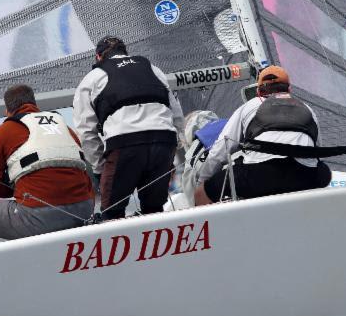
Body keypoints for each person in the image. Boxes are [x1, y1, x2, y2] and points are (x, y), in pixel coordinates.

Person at [0, 84, 94, 249]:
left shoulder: (4, 130)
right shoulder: (65, 128)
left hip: (38, 217)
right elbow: (83, 175)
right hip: (84, 211)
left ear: (8, 110)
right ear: (34, 105)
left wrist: (20, 191)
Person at [73, 36, 184, 220]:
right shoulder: (152, 69)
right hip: (164, 140)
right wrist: (174, 146)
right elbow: (176, 113)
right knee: (154, 209)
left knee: (112, 213)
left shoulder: (92, 78)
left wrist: (100, 169)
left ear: (98, 57)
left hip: (124, 144)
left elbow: (86, 131)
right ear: (125, 53)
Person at [195, 65, 330, 205]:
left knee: (201, 193)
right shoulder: (308, 109)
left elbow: (220, 151)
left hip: (259, 177)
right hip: (304, 176)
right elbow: (316, 153)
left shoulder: (249, 106)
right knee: (325, 172)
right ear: (289, 90)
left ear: (259, 92)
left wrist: (202, 182)